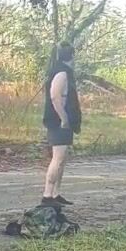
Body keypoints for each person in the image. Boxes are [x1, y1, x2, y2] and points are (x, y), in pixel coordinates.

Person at [41, 40, 81, 207]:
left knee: (62, 159)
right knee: (57, 159)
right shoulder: (61, 73)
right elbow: (55, 96)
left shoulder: (62, 71)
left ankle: (56, 194)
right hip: (58, 122)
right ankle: (47, 195)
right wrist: (63, 118)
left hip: (64, 122)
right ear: (71, 56)